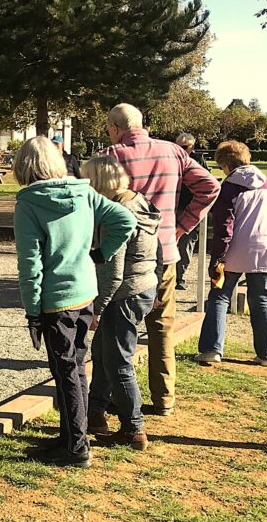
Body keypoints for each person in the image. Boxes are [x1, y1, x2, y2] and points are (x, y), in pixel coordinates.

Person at [13, 136, 136, 468]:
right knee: (75, 367)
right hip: (84, 294)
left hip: (56, 301)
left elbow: (30, 265)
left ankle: (77, 447)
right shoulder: (84, 192)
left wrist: (32, 313)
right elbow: (125, 220)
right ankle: (71, 436)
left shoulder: (29, 204)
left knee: (65, 370)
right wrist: (100, 253)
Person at [100, 103, 219, 417]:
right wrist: (182, 226)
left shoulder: (111, 155)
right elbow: (210, 186)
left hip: (127, 256)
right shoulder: (173, 151)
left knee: (118, 329)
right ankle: (164, 397)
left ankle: (115, 397)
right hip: (165, 250)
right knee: (162, 327)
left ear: (114, 127)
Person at [82, 155, 161, 450]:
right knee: (102, 353)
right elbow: (159, 250)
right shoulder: (141, 203)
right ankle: (94, 412)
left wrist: (96, 310)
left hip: (123, 294)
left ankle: (133, 429)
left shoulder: (115, 214)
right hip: (144, 286)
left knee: (118, 362)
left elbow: (112, 273)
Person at [196, 141, 267, 368]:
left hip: (234, 251)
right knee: (261, 299)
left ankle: (211, 349)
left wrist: (217, 258)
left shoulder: (229, 188)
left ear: (227, 165)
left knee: (219, 297)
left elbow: (224, 228)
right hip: (265, 250)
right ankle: (266, 355)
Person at [174, 133, 209, 290]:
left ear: (192, 147)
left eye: (185, 147)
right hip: (172, 206)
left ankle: (180, 276)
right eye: (178, 146)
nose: (181, 150)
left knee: (186, 243)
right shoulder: (172, 159)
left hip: (189, 208)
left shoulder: (198, 161)